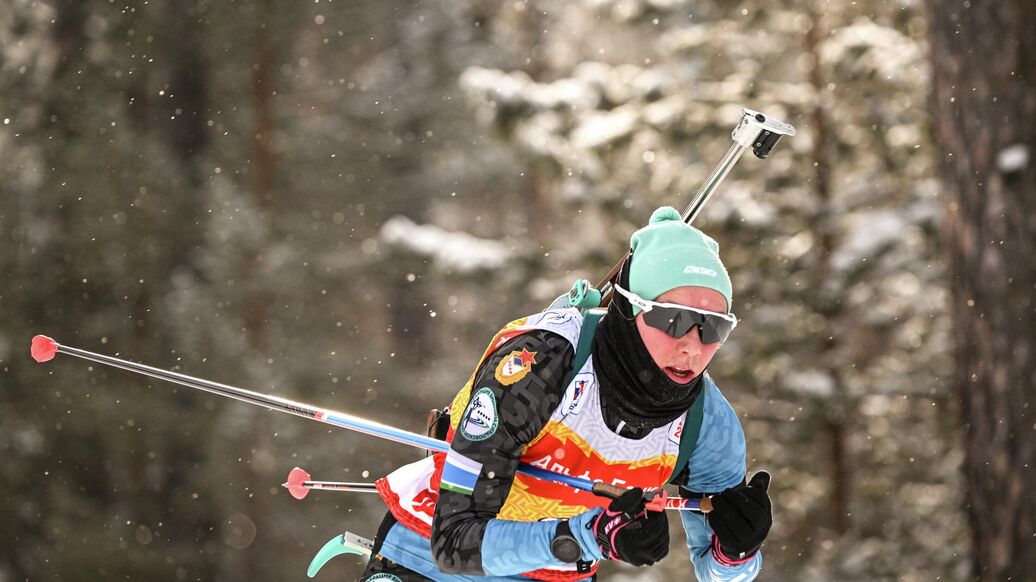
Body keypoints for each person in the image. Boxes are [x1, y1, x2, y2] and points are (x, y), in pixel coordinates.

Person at [362, 207, 772, 581]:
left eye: (714, 327)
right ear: (630, 308)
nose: (693, 346)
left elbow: (717, 574)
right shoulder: (537, 364)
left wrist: (736, 553)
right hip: (426, 560)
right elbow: (453, 543)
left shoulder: (708, 425)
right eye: (673, 319)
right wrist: (590, 535)